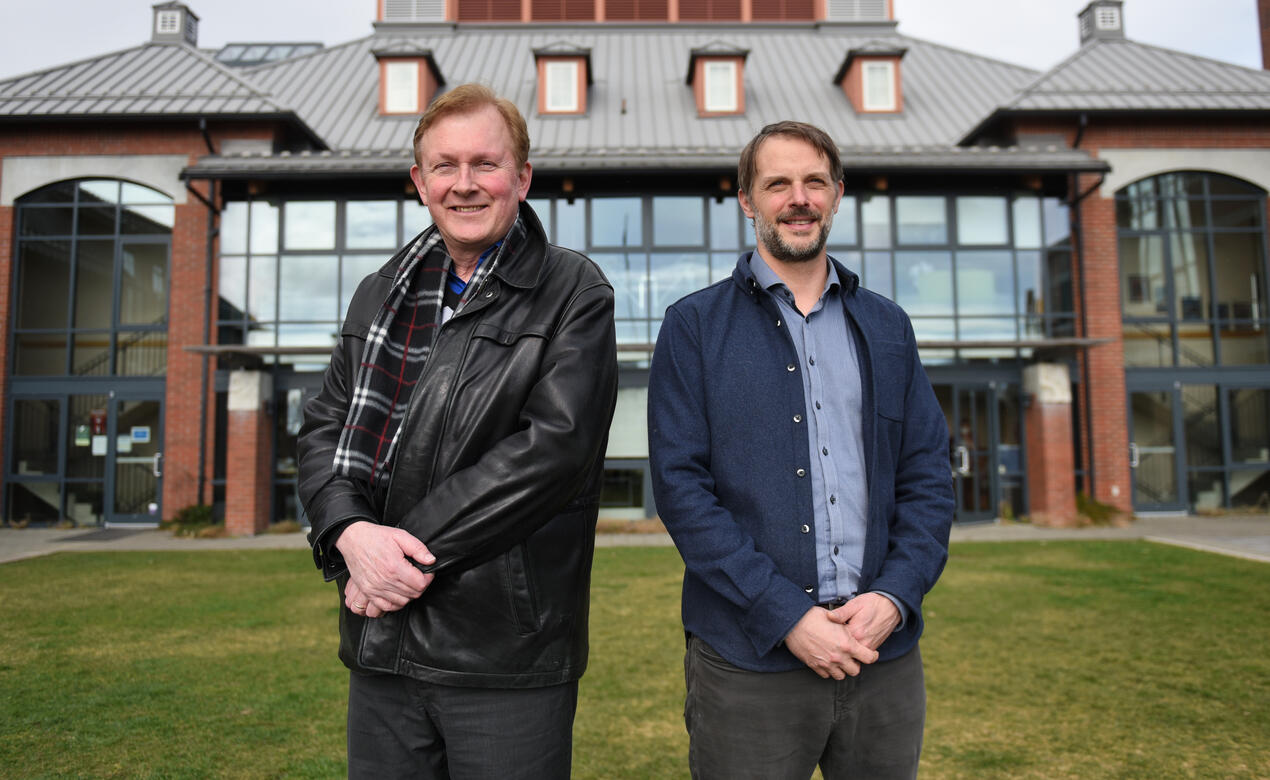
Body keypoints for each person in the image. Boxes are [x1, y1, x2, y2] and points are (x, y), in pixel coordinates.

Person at [297, 83, 617, 779]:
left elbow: (550, 452)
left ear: (522, 178)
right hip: (381, 646)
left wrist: (392, 563)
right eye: (444, 166)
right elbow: (323, 428)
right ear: (419, 182)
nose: (464, 184)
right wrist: (350, 534)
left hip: (504, 651)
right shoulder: (379, 292)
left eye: (485, 164)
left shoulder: (574, 292)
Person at [648, 120, 954, 780]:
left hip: (883, 660)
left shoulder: (887, 326)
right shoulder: (692, 328)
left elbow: (927, 475)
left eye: (815, 181)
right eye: (777, 183)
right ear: (747, 201)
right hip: (748, 664)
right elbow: (681, 489)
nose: (799, 198)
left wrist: (896, 596)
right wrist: (786, 615)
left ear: (837, 195)